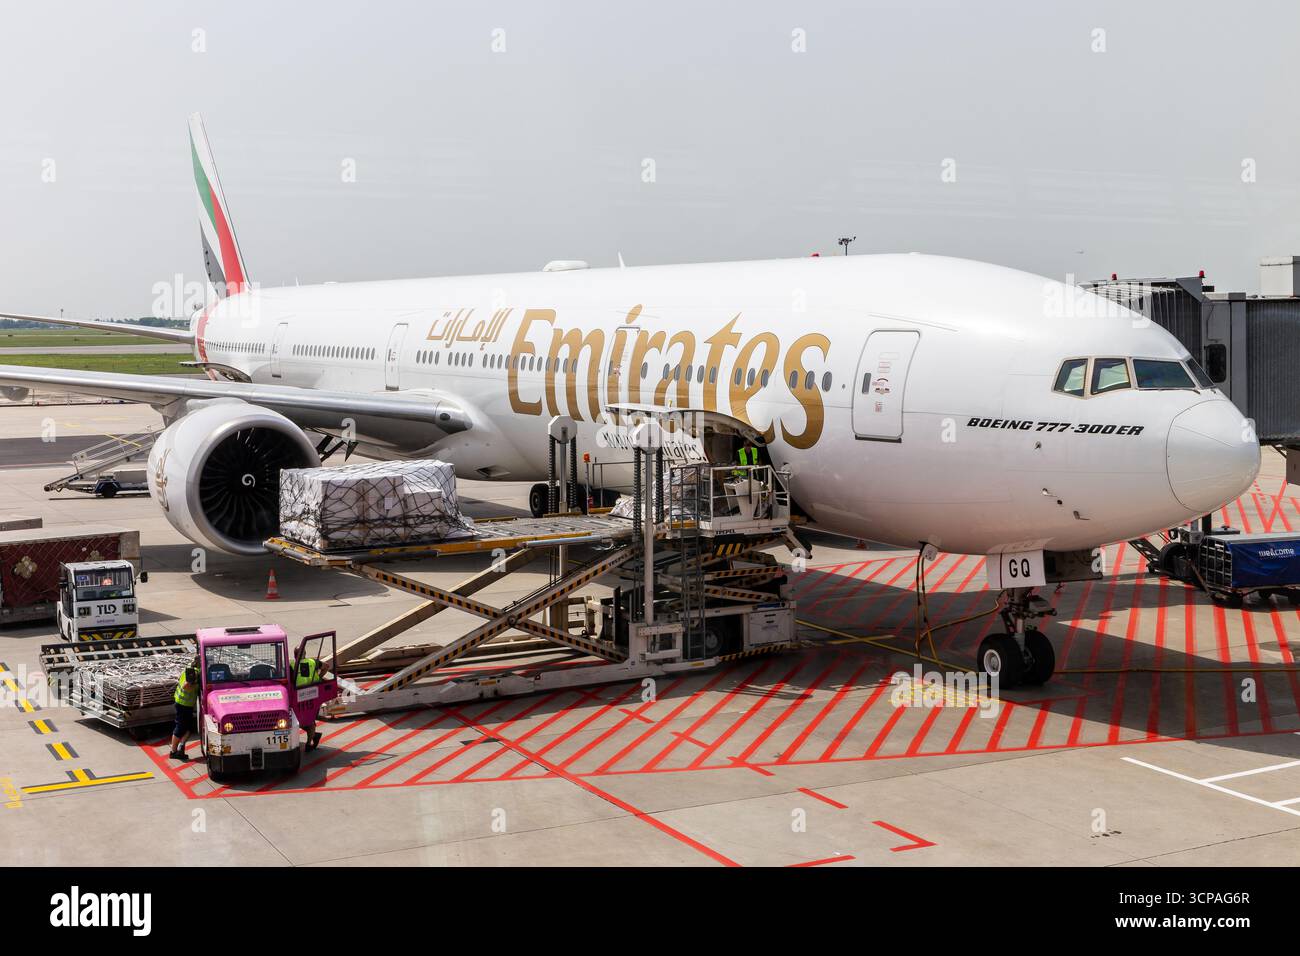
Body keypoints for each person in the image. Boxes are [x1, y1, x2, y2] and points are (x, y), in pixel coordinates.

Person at [169, 659, 200, 760]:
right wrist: (197, 685)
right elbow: (186, 686)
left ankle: (181, 747)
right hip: (183, 705)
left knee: (189, 728)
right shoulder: (194, 672)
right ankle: (173, 752)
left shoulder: (190, 670)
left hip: (186, 705)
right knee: (180, 728)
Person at [295, 656, 324, 751]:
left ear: (295, 655)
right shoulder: (312, 662)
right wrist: (319, 678)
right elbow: (326, 666)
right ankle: (314, 736)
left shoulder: (291, 664)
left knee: (307, 721)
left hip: (300, 695)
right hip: (311, 693)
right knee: (306, 720)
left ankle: (309, 743)